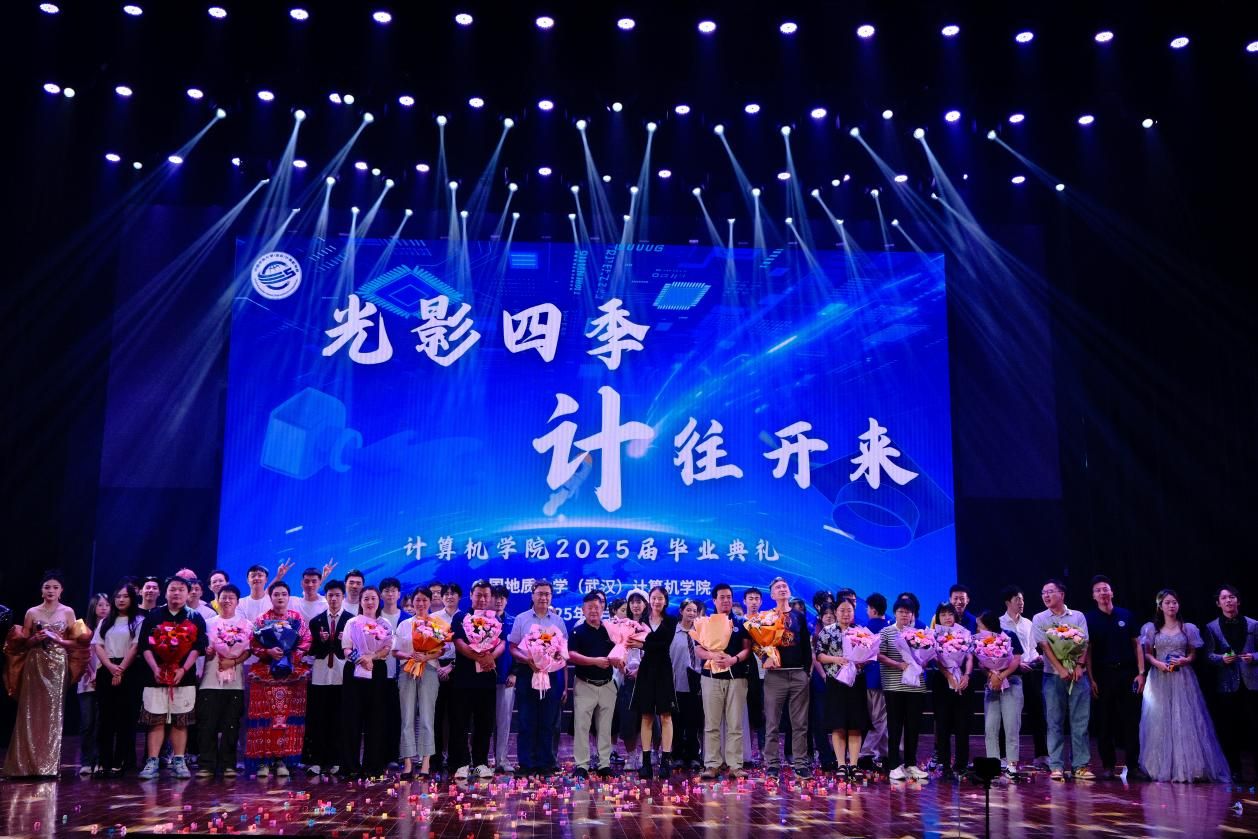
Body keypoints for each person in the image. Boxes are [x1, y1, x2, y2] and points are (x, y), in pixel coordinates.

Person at [1138, 589, 1230, 782]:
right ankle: (1160, 766)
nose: (1172, 605)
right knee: (1160, 719)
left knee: (1185, 718)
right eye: (1167, 602)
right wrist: (1158, 664)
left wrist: (1185, 660)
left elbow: (1192, 653)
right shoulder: (1151, 628)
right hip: (1160, 677)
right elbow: (1147, 653)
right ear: (1160, 606)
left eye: (1174, 602)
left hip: (1183, 677)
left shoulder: (1187, 628)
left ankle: (1189, 766)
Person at [3, 572, 80, 778]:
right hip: (35, 663)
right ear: (41, 590)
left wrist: (59, 640)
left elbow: (77, 642)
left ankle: (48, 766)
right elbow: (24, 643)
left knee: (53, 712)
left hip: (57, 664)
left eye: (55, 587)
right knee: (29, 710)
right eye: (47, 587)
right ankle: (24, 766)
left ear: (61, 590)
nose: (51, 590)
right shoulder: (31, 612)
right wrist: (34, 639)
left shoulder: (68, 612)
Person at [136, 576, 208, 780]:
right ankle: (152, 761)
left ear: (188, 593)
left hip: (183, 677)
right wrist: (155, 668)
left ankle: (179, 760)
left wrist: (183, 669)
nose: (176, 593)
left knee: (180, 720)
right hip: (156, 677)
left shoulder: (195, 617)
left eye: (181, 589)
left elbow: (198, 648)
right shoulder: (154, 616)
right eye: (172, 589)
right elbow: (144, 646)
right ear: (165, 593)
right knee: (156, 720)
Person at [245, 581, 312, 777]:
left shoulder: (296, 619)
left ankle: (282, 759)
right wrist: (268, 652)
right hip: (265, 675)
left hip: (291, 676)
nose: (280, 597)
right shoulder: (262, 620)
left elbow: (306, 640)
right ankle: (263, 761)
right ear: (270, 597)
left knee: (286, 719)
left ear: (289, 597)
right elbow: (252, 643)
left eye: (284, 594)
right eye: (276, 594)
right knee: (266, 719)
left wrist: (290, 655)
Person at [1084, 575, 1147, 780]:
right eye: (1098, 590)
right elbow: (1088, 651)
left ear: (1112, 592)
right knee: (1105, 722)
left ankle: (1133, 766)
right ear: (1093, 596)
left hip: (1128, 673)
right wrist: (1091, 679)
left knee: (1131, 721)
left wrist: (1141, 673)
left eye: (1105, 589)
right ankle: (1108, 766)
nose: (1102, 593)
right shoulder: (1089, 619)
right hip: (1103, 675)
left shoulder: (1126, 615)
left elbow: (1137, 645)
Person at [1032, 578, 1094, 781]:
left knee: (1080, 721)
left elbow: (1085, 643)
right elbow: (1045, 646)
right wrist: (1060, 668)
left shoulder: (1077, 616)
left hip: (1078, 675)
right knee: (1054, 722)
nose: (1046, 595)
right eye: (1043, 592)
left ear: (1062, 594)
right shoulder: (1040, 618)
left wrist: (1079, 666)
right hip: (1052, 676)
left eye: (1050, 591)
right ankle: (1056, 765)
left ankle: (1080, 765)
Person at [508, 579, 568, 776]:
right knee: (526, 720)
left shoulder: (558, 621)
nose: (544, 597)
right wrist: (528, 659)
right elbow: (513, 647)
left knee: (547, 721)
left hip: (551, 675)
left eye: (547, 594)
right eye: (540, 593)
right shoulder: (522, 619)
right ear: (532, 595)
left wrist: (554, 659)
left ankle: (545, 763)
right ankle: (526, 763)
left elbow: (564, 651)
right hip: (528, 673)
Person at [448, 580, 505, 780]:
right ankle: (462, 763)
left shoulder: (495, 619)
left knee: (484, 723)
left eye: (485, 595)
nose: (481, 599)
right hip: (463, 680)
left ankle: (481, 763)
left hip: (487, 680)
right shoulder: (461, 617)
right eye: (478, 594)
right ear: (471, 595)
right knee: (460, 723)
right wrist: (479, 657)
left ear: (490, 598)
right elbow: (459, 642)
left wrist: (491, 657)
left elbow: (502, 642)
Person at [697, 583, 753, 781]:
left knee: (735, 724)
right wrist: (712, 655)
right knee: (711, 724)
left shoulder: (741, 622)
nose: (726, 600)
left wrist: (733, 659)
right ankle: (712, 764)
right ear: (714, 600)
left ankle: (735, 765)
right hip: (711, 678)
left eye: (729, 597)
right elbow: (698, 649)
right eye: (722, 597)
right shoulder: (705, 622)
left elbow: (747, 649)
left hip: (736, 678)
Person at [1204, 584, 1258, 782]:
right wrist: (1222, 659)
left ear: (1238, 601)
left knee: (1255, 728)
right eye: (1224, 598)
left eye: (1232, 597)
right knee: (1230, 729)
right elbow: (1208, 655)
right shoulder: (1211, 627)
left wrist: (1254, 656)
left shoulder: (1253, 624)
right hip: (1227, 685)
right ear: (1218, 603)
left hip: (1252, 683)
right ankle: (1235, 770)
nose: (1228, 600)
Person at [196, 584, 249, 778]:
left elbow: (248, 651)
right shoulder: (207, 623)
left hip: (235, 682)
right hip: (210, 680)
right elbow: (201, 649)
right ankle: (207, 765)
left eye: (231, 598)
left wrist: (233, 661)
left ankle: (228, 764)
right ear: (217, 601)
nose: (227, 601)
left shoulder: (246, 624)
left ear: (237, 602)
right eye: (223, 597)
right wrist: (208, 652)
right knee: (208, 724)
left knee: (231, 724)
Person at [762, 577, 813, 778]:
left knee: (800, 723)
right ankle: (772, 764)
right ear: (772, 594)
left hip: (798, 673)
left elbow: (806, 645)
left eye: (784, 586)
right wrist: (765, 658)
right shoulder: (766, 617)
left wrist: (806, 671)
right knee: (772, 723)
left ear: (789, 592)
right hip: (775, 676)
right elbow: (759, 644)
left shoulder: (799, 616)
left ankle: (800, 763)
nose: (782, 589)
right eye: (778, 587)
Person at [815, 599, 870, 780]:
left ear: (854, 612)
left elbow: (870, 655)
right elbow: (819, 655)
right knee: (838, 724)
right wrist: (836, 660)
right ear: (836, 612)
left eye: (849, 610)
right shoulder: (827, 631)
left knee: (855, 724)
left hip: (856, 682)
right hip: (836, 682)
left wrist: (862, 661)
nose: (846, 614)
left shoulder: (861, 632)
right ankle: (841, 764)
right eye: (842, 610)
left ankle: (853, 764)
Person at [877, 594, 930, 782]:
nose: (904, 615)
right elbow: (879, 655)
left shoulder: (920, 634)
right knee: (895, 725)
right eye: (901, 612)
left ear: (913, 614)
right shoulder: (886, 632)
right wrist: (898, 665)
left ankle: (910, 764)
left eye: (908, 612)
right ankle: (893, 765)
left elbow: (926, 656)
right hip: (894, 686)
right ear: (895, 613)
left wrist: (923, 661)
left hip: (916, 686)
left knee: (913, 726)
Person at [569, 591, 621, 778]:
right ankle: (582, 765)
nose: (593, 611)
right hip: (585, 684)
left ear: (602, 609)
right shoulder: (577, 631)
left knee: (605, 727)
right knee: (582, 726)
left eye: (597, 607)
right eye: (589, 607)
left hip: (607, 684)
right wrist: (595, 661)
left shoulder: (610, 631)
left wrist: (619, 661)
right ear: (583, 610)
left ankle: (604, 763)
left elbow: (618, 650)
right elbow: (572, 655)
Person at [341, 587, 392, 778]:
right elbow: (346, 648)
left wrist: (372, 657)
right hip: (355, 670)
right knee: (351, 718)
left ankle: (374, 766)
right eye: (366, 599)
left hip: (377, 670)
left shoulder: (385, 624)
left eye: (373, 598)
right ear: (360, 602)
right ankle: (350, 766)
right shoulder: (352, 622)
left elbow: (387, 648)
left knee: (376, 718)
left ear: (379, 601)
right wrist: (361, 660)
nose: (370, 602)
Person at [93, 582, 143, 776]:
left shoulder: (138, 620)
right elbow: (98, 645)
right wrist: (111, 667)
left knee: (125, 718)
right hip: (107, 669)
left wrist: (120, 669)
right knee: (105, 718)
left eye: (125, 596)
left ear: (132, 599)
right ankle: (103, 761)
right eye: (118, 596)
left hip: (129, 670)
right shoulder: (106, 621)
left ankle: (121, 760)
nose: (121, 600)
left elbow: (135, 647)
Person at [999, 585, 1049, 769]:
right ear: (1008, 602)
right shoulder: (999, 623)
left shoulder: (1028, 623)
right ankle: (1005, 756)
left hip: (1030, 671)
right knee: (1008, 717)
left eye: (1022, 599)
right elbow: (999, 652)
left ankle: (1042, 755)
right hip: (1011, 673)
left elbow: (1031, 648)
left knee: (1037, 713)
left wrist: (1037, 657)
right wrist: (1015, 665)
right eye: (1017, 600)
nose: (1021, 603)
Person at [630, 586, 678, 780]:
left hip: (664, 669)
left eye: (660, 598)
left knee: (666, 716)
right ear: (649, 600)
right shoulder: (640, 620)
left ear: (665, 601)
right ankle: (646, 763)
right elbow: (633, 641)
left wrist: (642, 644)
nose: (657, 601)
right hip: (646, 670)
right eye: (654, 598)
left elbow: (663, 645)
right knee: (646, 716)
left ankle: (665, 761)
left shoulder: (671, 620)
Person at [396, 586, 443, 779]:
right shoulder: (404, 624)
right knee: (406, 717)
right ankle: (408, 763)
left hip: (429, 671)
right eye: (418, 600)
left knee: (426, 717)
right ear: (412, 602)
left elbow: (441, 650)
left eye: (425, 600)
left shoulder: (436, 624)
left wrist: (426, 657)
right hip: (407, 670)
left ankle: (425, 763)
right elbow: (395, 651)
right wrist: (410, 655)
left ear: (430, 602)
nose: (421, 603)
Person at [307, 579, 350, 776]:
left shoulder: (351, 620)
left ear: (343, 597)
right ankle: (317, 760)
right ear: (326, 597)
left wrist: (343, 641)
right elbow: (311, 650)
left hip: (342, 674)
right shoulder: (315, 621)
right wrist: (321, 641)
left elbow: (355, 648)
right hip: (321, 674)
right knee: (319, 718)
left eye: (337, 595)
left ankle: (337, 760)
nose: (333, 599)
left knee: (339, 718)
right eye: (330, 595)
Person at [976, 611, 1024, 778]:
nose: (978, 629)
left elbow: (1016, 660)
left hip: (1011, 683)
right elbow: (981, 664)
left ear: (989, 625)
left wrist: (1001, 676)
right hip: (992, 685)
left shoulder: (1009, 636)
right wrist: (992, 675)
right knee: (990, 727)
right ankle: (993, 763)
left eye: (980, 626)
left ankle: (1011, 764)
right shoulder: (980, 640)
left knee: (1011, 725)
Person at [931, 602, 973, 780]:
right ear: (938, 617)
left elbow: (969, 657)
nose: (947, 617)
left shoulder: (965, 633)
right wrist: (948, 675)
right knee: (943, 724)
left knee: (962, 724)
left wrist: (967, 675)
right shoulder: (933, 635)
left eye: (950, 614)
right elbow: (935, 659)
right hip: (942, 682)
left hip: (962, 681)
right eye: (943, 614)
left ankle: (961, 764)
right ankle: (945, 765)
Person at [428, 582, 461, 771]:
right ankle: (435, 758)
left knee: (456, 717)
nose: (449, 596)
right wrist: (438, 667)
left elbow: (468, 648)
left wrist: (451, 667)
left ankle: (455, 759)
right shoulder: (433, 618)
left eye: (453, 593)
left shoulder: (465, 618)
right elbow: (427, 646)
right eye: (445, 594)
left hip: (458, 669)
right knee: (436, 716)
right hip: (435, 669)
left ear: (459, 597)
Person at [670, 598, 704, 771]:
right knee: (676, 722)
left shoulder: (701, 633)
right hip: (676, 682)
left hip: (696, 684)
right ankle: (676, 755)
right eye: (688, 610)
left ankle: (693, 756)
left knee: (693, 722)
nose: (691, 613)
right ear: (681, 611)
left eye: (694, 611)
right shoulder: (672, 632)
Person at [77, 592, 109, 775]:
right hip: (87, 681)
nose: (104, 608)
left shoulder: (112, 627)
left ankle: (100, 760)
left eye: (107, 605)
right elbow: (80, 653)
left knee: (102, 722)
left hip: (106, 678)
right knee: (87, 723)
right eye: (100, 605)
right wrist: (91, 673)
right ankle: (86, 761)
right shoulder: (83, 628)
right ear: (93, 607)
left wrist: (101, 673)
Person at [617, 590, 649, 770]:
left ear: (646, 604)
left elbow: (656, 652)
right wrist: (621, 664)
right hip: (627, 677)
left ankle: (648, 754)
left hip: (647, 679)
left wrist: (642, 671)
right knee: (628, 718)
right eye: (632, 602)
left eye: (639, 602)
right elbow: (617, 648)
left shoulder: (651, 625)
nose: (635, 605)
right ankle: (631, 756)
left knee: (648, 719)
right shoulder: (622, 625)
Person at [858, 593, 889, 771]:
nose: (866, 611)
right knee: (881, 717)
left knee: (878, 718)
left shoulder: (866, 629)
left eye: (868, 608)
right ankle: (878, 752)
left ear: (873, 610)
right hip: (884, 679)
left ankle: (868, 752)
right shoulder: (889, 628)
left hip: (871, 679)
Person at [491, 584, 516, 774]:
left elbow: (519, 650)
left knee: (504, 721)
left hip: (507, 679)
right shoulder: (480, 621)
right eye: (495, 597)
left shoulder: (514, 622)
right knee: (483, 722)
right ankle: (482, 760)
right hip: (484, 680)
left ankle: (502, 759)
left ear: (506, 601)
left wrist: (514, 673)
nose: (498, 601)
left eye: (502, 598)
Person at [809, 604, 837, 772]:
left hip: (840, 679)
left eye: (831, 613)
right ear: (820, 616)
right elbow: (815, 657)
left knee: (838, 719)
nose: (828, 616)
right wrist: (824, 676)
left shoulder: (843, 633)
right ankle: (825, 756)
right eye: (825, 614)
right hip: (820, 680)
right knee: (819, 719)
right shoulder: (815, 635)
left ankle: (839, 755)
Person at [741, 587, 766, 767]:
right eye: (751, 598)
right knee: (748, 714)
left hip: (767, 672)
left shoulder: (767, 622)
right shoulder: (740, 622)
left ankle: (765, 751)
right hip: (747, 674)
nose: (754, 602)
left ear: (761, 601)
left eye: (757, 598)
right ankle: (747, 752)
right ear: (745, 601)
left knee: (766, 714)